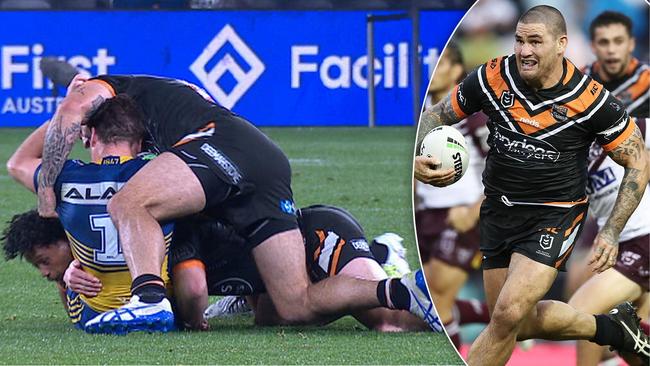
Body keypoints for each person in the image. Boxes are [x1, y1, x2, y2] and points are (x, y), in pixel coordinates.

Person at [35, 67, 438, 331]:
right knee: (295, 304)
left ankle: (149, 300)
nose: (87, 141)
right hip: (262, 160)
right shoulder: (163, 96)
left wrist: (47, 197)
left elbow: (66, 121)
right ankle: (406, 291)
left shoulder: (100, 89)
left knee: (126, 203)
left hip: (219, 143)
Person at [413, 5, 649, 365]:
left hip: (554, 216)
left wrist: (612, 231)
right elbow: (435, 115)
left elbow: (638, 160)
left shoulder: (591, 99)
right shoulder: (492, 77)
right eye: (520, 40)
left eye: (535, 42)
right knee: (512, 324)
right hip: (497, 212)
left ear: (561, 44)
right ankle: (614, 330)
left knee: (508, 313)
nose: (524, 51)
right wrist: (417, 158)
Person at [1, 207, 429, 333]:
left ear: (70, 239)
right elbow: (86, 311)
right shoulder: (114, 258)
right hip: (264, 273)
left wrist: (191, 318)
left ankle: (392, 270)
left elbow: (190, 285)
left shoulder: (161, 233)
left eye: (44, 261)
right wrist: (71, 279)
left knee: (391, 324)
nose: (44, 272)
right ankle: (244, 297)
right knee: (270, 318)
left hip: (315, 238)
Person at [5, 95, 175, 333]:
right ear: (139, 142)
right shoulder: (162, 172)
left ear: (92, 136)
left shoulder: (67, 177)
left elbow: (17, 163)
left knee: (70, 248)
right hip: (167, 304)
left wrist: (69, 111)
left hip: (93, 313)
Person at [566, 11, 650, 366]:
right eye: (604, 42)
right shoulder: (580, 89)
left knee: (582, 313)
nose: (612, 50)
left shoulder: (647, 85)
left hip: (639, 220)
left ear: (631, 44)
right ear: (593, 45)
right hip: (604, 210)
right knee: (618, 322)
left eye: (619, 41)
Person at [415, 44, 491, 348]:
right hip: (424, 215)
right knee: (427, 299)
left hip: (462, 215)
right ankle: (488, 314)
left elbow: (502, 167)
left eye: (441, 63)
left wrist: (474, 209)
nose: (432, 70)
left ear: (457, 70)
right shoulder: (420, 117)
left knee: (439, 298)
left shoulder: (475, 114)